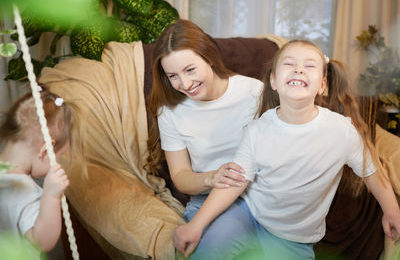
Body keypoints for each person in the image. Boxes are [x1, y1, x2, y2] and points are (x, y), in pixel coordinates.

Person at [172, 40, 400, 259]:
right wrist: (196, 225)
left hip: (294, 236)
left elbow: (371, 171)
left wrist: (391, 210)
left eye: (309, 65)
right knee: (208, 251)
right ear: (273, 80)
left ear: (322, 85)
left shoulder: (342, 131)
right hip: (249, 214)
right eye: (289, 64)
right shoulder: (257, 129)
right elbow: (235, 181)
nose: (299, 70)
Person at [146, 19, 264, 259]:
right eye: (173, 76)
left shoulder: (254, 93)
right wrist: (211, 177)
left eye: (190, 70)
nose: (185, 84)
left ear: (208, 57)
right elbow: (180, 177)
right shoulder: (169, 111)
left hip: (255, 198)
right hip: (205, 198)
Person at [0, 89, 73, 254]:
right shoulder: (24, 190)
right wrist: (51, 197)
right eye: (60, 156)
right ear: (45, 151)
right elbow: (41, 242)